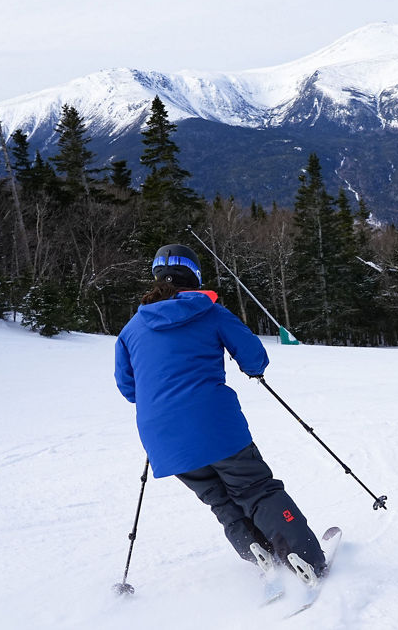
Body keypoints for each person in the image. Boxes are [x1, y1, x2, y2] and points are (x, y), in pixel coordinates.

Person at [114, 243, 326, 583]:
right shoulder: (209, 311)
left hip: (162, 437)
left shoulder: (130, 330)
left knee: (218, 498)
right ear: (195, 276)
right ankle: (306, 561)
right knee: (256, 489)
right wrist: (251, 370)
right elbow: (254, 357)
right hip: (214, 424)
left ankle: (256, 550)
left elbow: (129, 390)